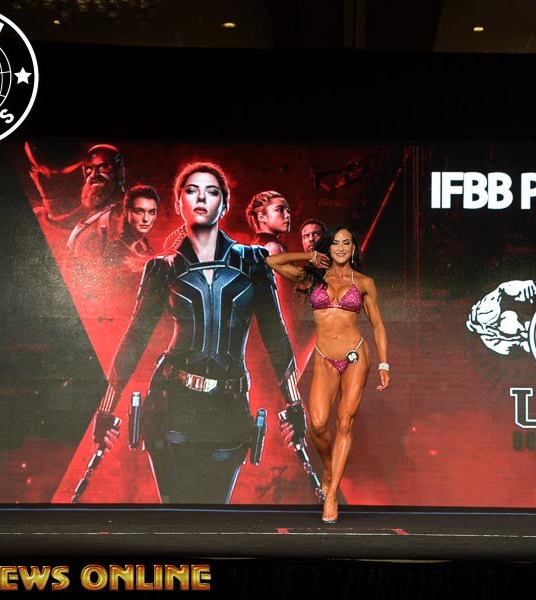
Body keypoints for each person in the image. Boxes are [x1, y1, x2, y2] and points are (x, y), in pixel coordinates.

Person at [92, 161, 308, 503]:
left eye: (212, 191)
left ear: (225, 203)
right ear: (179, 204)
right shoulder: (161, 268)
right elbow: (135, 338)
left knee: (214, 515)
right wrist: (105, 411)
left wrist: (295, 405)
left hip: (229, 408)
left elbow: (275, 336)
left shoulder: (254, 262)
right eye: (192, 191)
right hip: (171, 403)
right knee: (176, 514)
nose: (201, 198)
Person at [266, 225, 390, 523]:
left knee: (345, 422)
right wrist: (309, 256)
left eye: (347, 243)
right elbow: (272, 262)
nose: (341, 248)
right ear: (328, 248)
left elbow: (377, 324)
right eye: (335, 243)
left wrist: (384, 364)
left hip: (355, 357)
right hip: (324, 358)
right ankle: (330, 469)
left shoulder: (364, 283)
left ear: (354, 248)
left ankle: (331, 495)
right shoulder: (312, 278)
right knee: (318, 425)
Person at [104, 184, 160, 269]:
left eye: (152, 212)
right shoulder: (117, 248)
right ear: (126, 211)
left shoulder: (144, 243)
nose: (146, 219)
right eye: (139, 211)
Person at [246, 190, 291, 255]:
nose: (288, 215)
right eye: (279, 210)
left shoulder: (257, 245)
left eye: (288, 210)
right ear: (261, 217)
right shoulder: (273, 247)